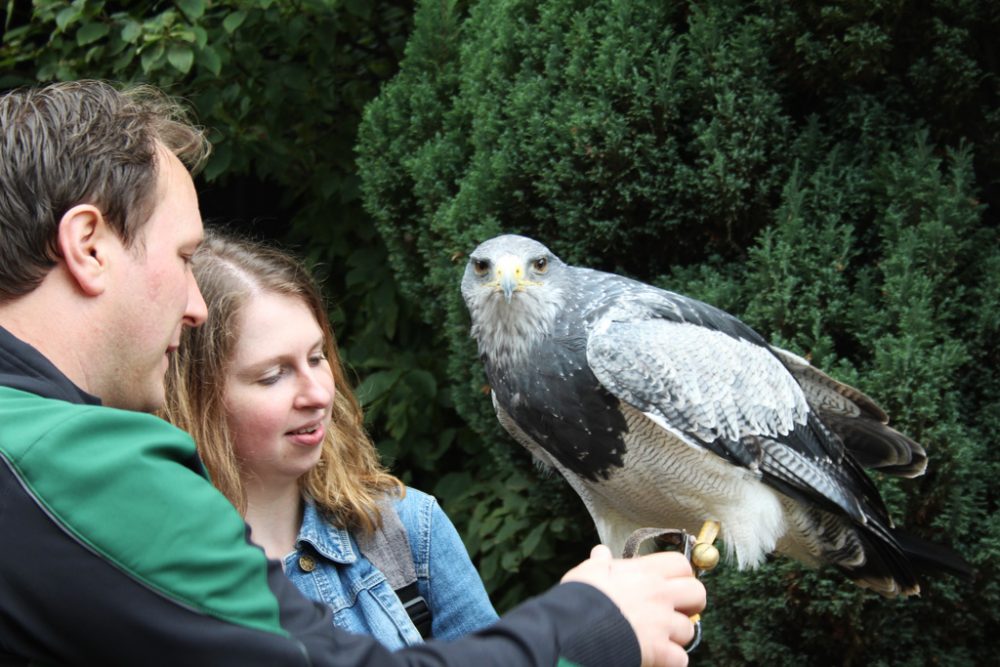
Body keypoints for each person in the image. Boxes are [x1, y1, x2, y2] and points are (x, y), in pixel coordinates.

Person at [0, 79, 706, 667]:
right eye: (184, 256)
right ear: (88, 246)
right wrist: (591, 624)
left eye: (316, 358)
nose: (192, 308)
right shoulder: (74, 465)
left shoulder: (409, 524)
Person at [161, 230, 499, 648]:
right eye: (273, 375)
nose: (320, 393)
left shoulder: (406, 529)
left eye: (317, 357)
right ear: (195, 396)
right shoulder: (154, 574)